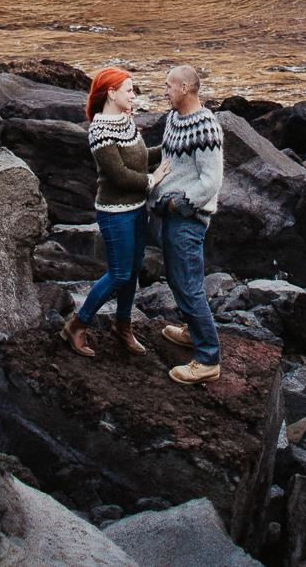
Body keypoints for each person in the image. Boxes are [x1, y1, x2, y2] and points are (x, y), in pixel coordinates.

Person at [63, 67, 154, 357]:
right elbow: (120, 175)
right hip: (115, 213)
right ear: (111, 93)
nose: (133, 95)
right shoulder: (99, 129)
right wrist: (155, 179)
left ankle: (122, 326)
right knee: (119, 274)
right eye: (128, 90)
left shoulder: (127, 122)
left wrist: (173, 147)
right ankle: (77, 325)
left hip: (138, 208)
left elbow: (141, 158)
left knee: (135, 268)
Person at [149, 62, 225, 385]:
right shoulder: (172, 120)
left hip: (188, 218)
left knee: (190, 284)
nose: (164, 91)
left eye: (168, 85)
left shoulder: (206, 126)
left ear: (185, 88)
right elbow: (168, 160)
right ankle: (194, 332)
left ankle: (208, 357)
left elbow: (211, 180)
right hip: (168, 214)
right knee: (178, 280)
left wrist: (178, 203)